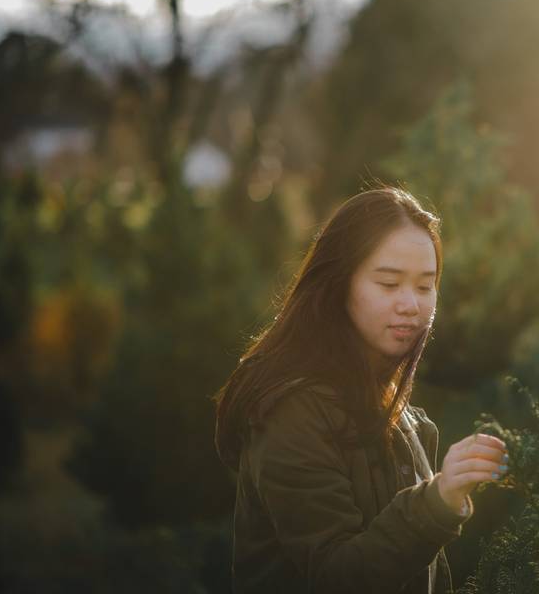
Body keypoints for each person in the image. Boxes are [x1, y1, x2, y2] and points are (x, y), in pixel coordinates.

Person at [213, 186, 509, 593]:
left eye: (425, 286)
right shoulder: (292, 412)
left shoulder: (398, 412)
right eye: (389, 284)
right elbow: (338, 576)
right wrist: (436, 501)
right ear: (339, 285)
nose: (411, 304)